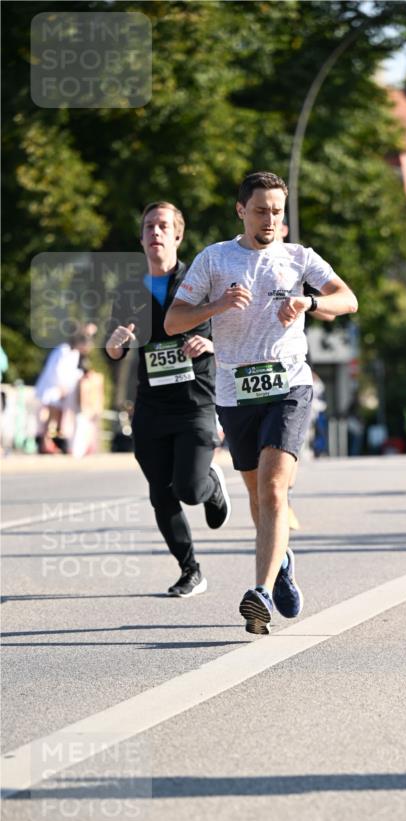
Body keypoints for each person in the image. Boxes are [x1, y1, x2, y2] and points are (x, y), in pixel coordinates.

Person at [165, 171, 358, 634]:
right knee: (257, 497)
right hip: (236, 392)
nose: (269, 219)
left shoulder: (298, 258)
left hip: (290, 385)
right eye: (260, 210)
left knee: (274, 489)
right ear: (240, 210)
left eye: (276, 211)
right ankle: (283, 560)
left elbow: (348, 299)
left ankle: (261, 593)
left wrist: (308, 304)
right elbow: (174, 321)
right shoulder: (214, 260)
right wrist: (216, 307)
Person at [106, 201, 231, 597]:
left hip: (195, 401)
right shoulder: (129, 290)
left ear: (178, 235)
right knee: (161, 492)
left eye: (163, 226)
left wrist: (208, 342)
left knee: (188, 489)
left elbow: (231, 333)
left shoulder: (200, 282)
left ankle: (211, 486)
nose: (155, 233)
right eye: (148, 227)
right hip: (152, 406)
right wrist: (114, 345)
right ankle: (189, 569)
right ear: (141, 238)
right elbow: (115, 348)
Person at [34, 323, 96, 453]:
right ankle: (45, 442)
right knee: (50, 417)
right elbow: (56, 370)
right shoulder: (63, 350)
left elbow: (71, 372)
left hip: (60, 389)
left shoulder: (74, 354)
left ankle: (48, 442)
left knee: (55, 418)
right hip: (53, 388)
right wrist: (62, 387)